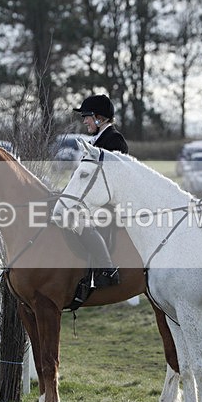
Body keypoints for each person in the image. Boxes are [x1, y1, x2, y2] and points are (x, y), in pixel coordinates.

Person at [71, 93, 128, 287]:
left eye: (86, 116)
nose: (84, 120)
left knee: (80, 224)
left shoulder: (115, 140)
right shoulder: (95, 141)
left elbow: (115, 180)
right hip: (93, 200)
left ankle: (107, 269)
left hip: (109, 204)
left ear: (99, 117)